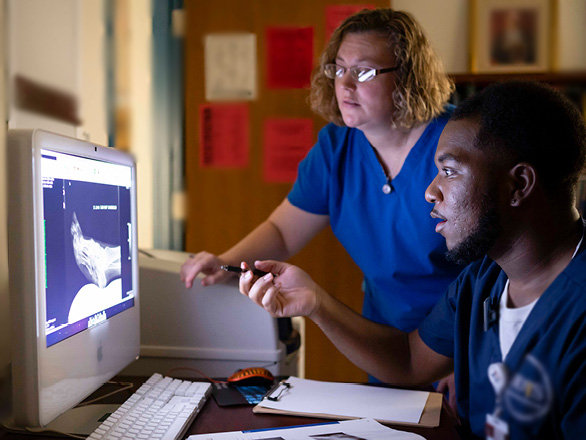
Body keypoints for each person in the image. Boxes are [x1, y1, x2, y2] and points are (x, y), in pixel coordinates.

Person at [239, 81, 586, 439]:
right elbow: (408, 359)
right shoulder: (481, 282)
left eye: (449, 172)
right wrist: (315, 303)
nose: (430, 191)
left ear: (519, 185)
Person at [181, 8, 461, 369]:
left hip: (462, 343)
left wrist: (464, 356)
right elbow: (282, 232)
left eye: (363, 71)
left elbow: (497, 265)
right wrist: (226, 262)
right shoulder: (336, 147)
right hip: (386, 346)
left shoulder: (458, 141)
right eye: (339, 69)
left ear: (407, 78)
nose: (345, 85)